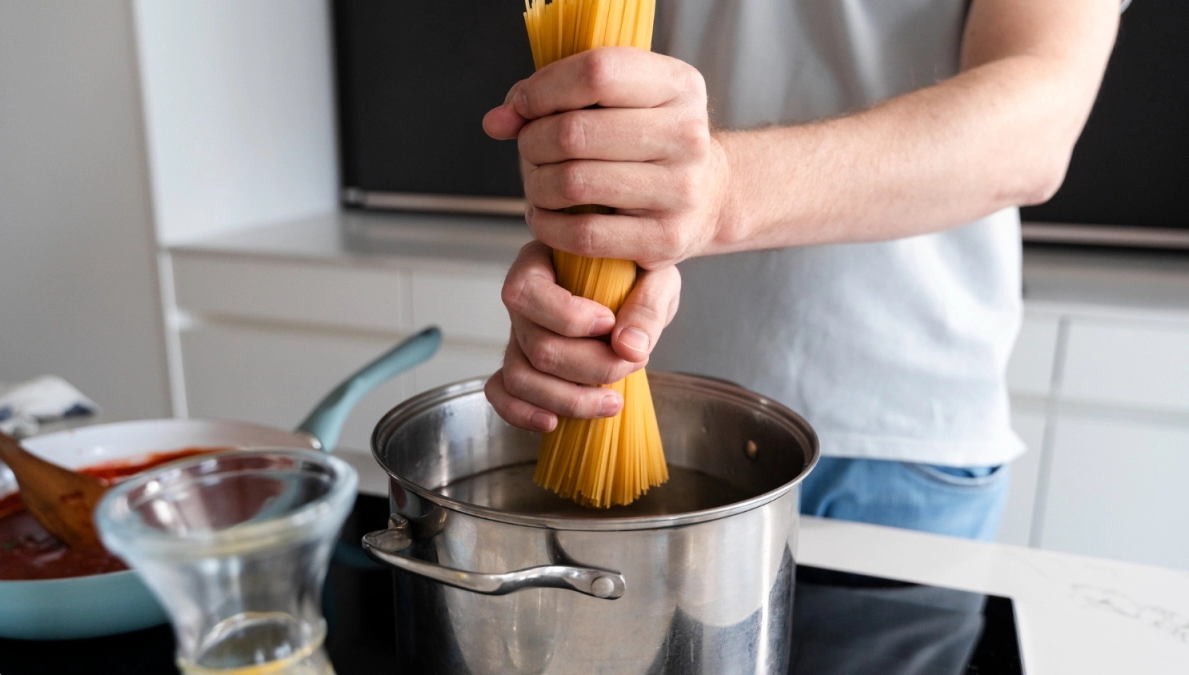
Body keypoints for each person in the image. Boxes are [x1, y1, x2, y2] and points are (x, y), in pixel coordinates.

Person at [481, 0, 1122, 540]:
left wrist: (720, 196)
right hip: (657, 410)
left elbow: (1037, 120)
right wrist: (584, 250)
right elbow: (596, 93)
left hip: (900, 444)